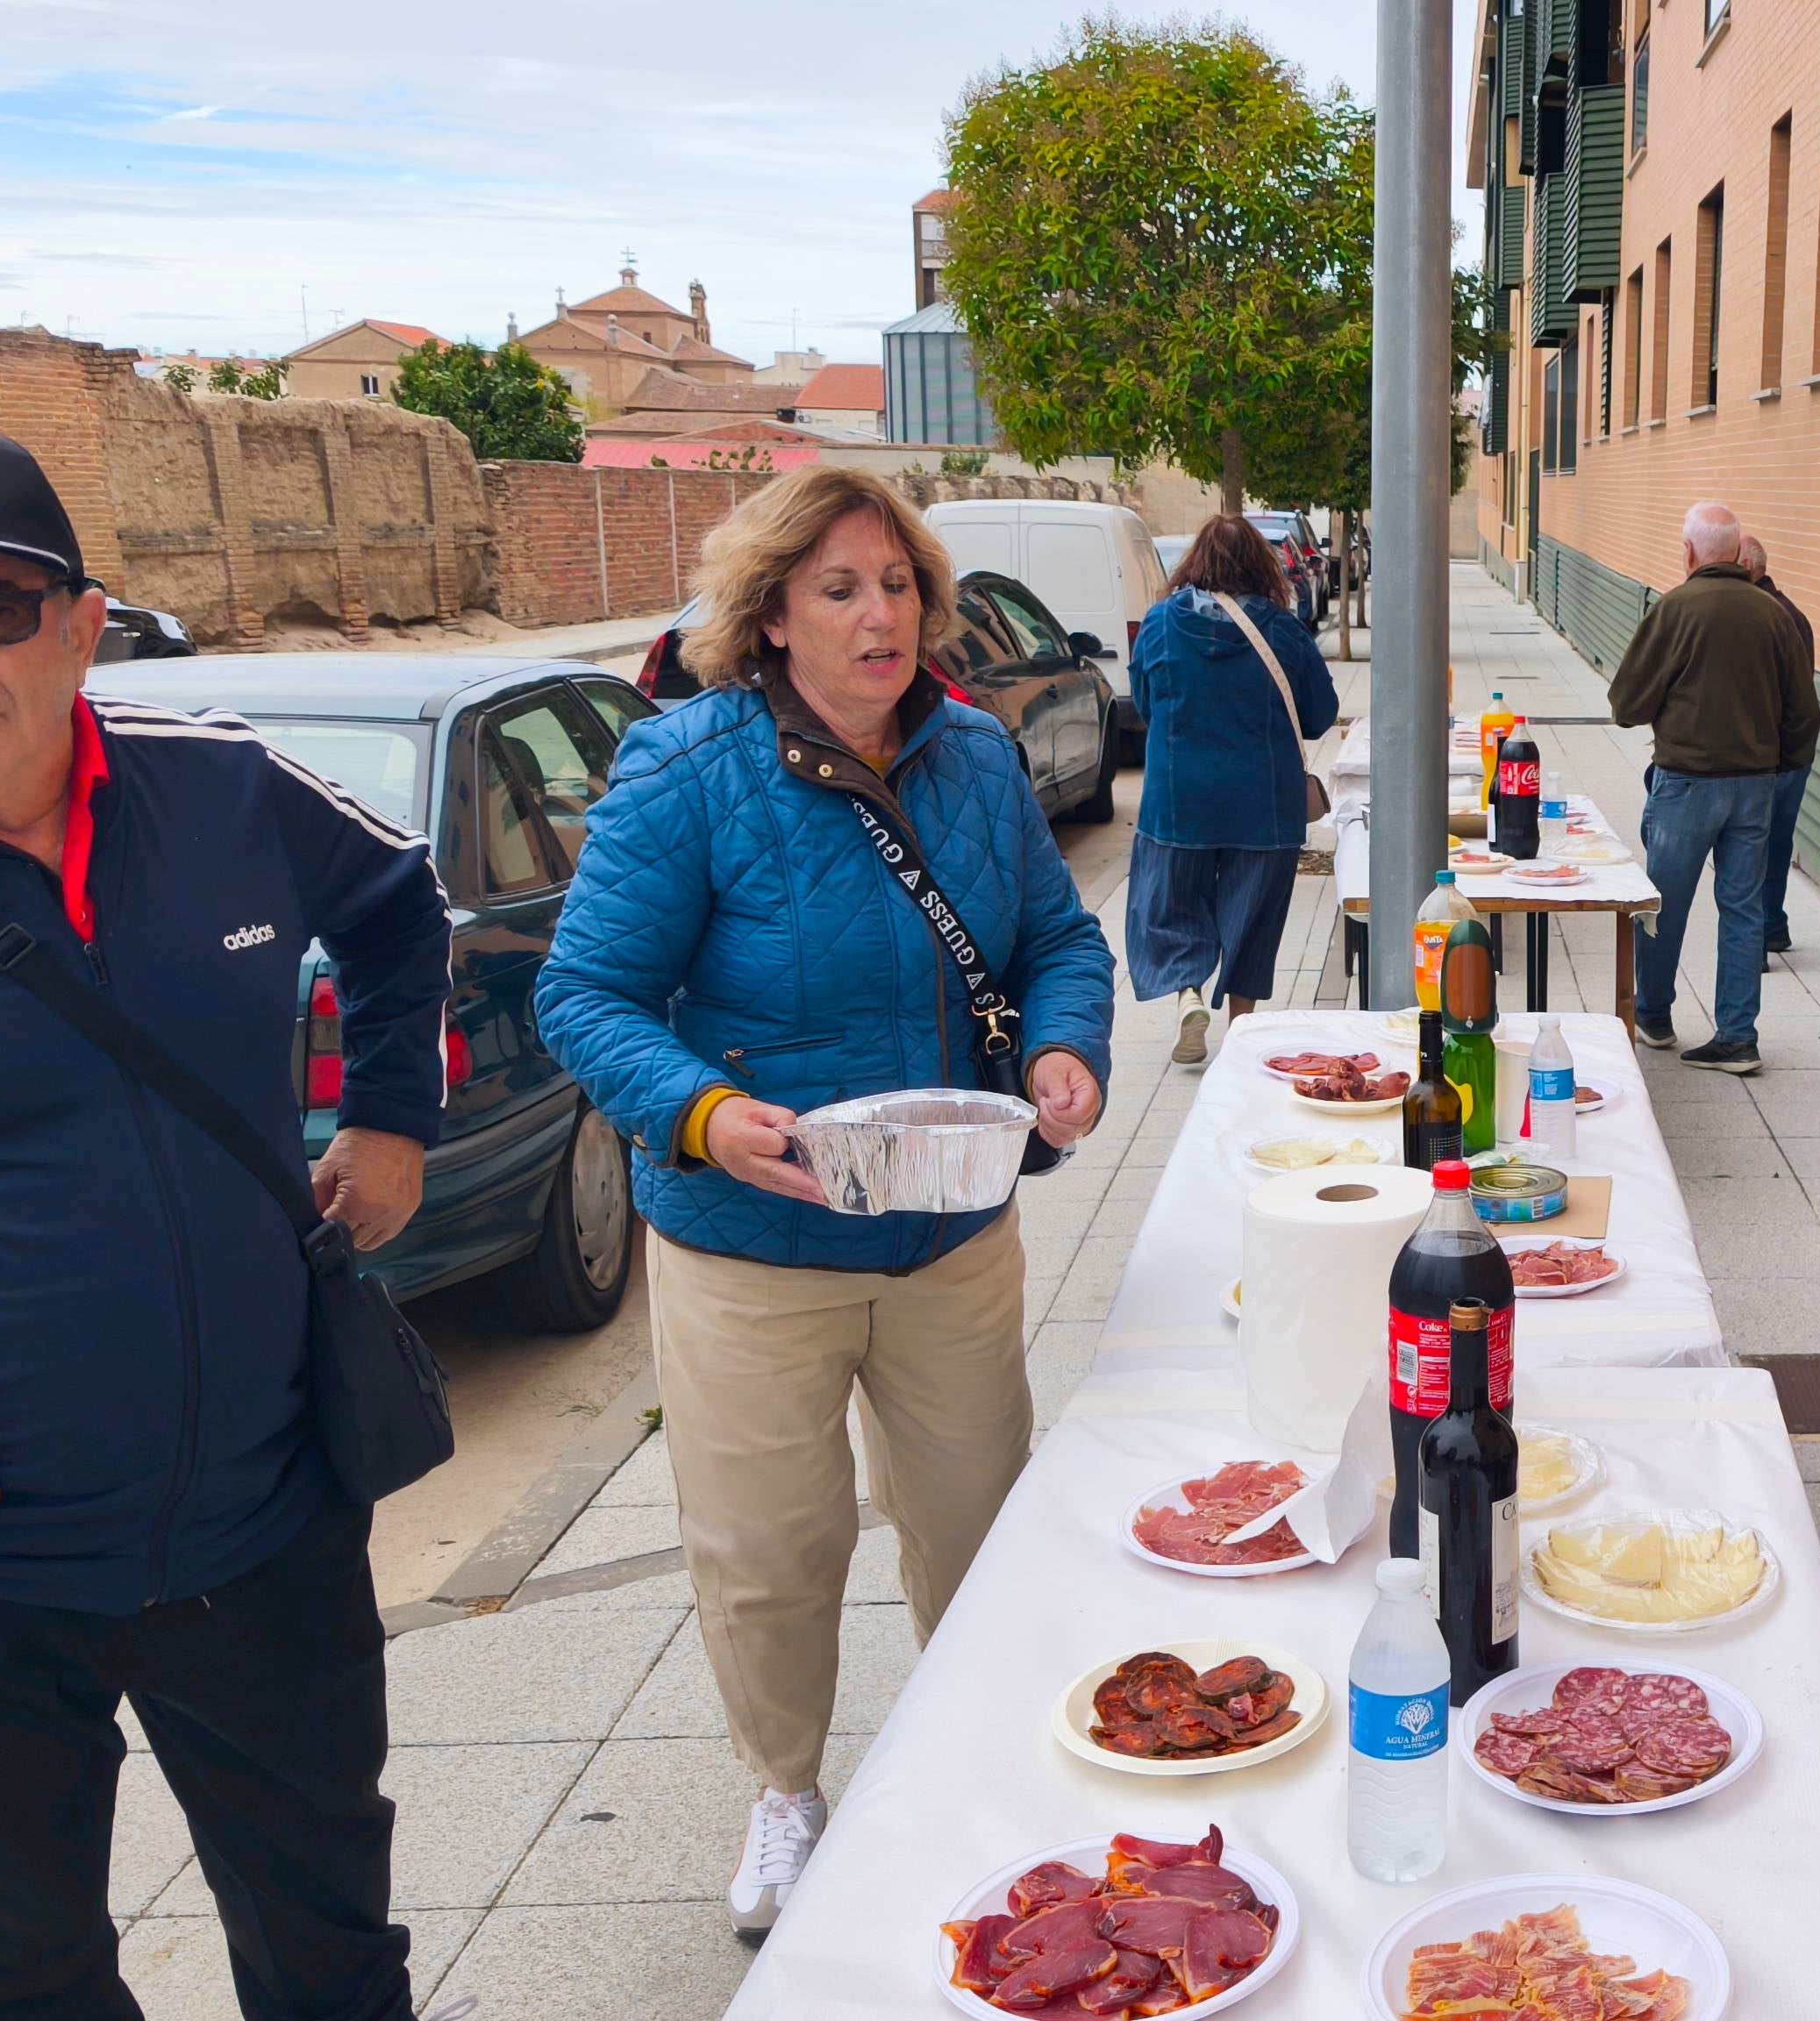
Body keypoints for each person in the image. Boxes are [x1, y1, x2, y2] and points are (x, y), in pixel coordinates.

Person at [0, 418, 452, 2018]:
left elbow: (396, 898)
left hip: (264, 1524)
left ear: (81, 627)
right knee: (22, 1991)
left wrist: (392, 1114)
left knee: (335, 1953)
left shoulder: (221, 783)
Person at [536, 466, 1116, 1938]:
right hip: (754, 1249)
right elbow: (584, 993)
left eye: (899, 584)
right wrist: (702, 1113)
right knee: (770, 1548)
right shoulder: (687, 768)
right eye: (840, 588)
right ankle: (786, 1793)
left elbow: (1058, 938)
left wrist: (1065, 1046)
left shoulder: (973, 755)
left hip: (949, 1235)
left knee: (977, 1521)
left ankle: (980, 1762)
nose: (879, 615)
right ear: (773, 615)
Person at [1606, 501, 1820, 1074]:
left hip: (1687, 783)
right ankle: (1738, 1036)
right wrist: (1777, 766)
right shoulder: (1775, 614)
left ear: (1689, 551)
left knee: (1662, 905)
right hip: (1755, 785)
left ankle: (1654, 1016)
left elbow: (1627, 703)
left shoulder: (1675, 609)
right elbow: (1804, 712)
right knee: (1744, 908)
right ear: (1738, 553)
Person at [1124, 512, 1337, 1064]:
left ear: (1195, 561)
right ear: (1261, 565)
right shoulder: (1282, 631)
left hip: (1178, 801)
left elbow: (1145, 705)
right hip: (1264, 806)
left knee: (1173, 907)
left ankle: (1188, 994)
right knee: (1255, 915)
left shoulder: (1160, 624)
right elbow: (1320, 715)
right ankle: (1241, 1028)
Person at [1739, 531, 1817, 956]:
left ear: (1747, 566)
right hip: (1790, 754)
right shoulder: (1790, 613)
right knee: (1775, 841)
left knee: (1755, 848)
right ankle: (1772, 925)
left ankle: (1760, 934)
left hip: (1770, 756)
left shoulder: (1763, 616)